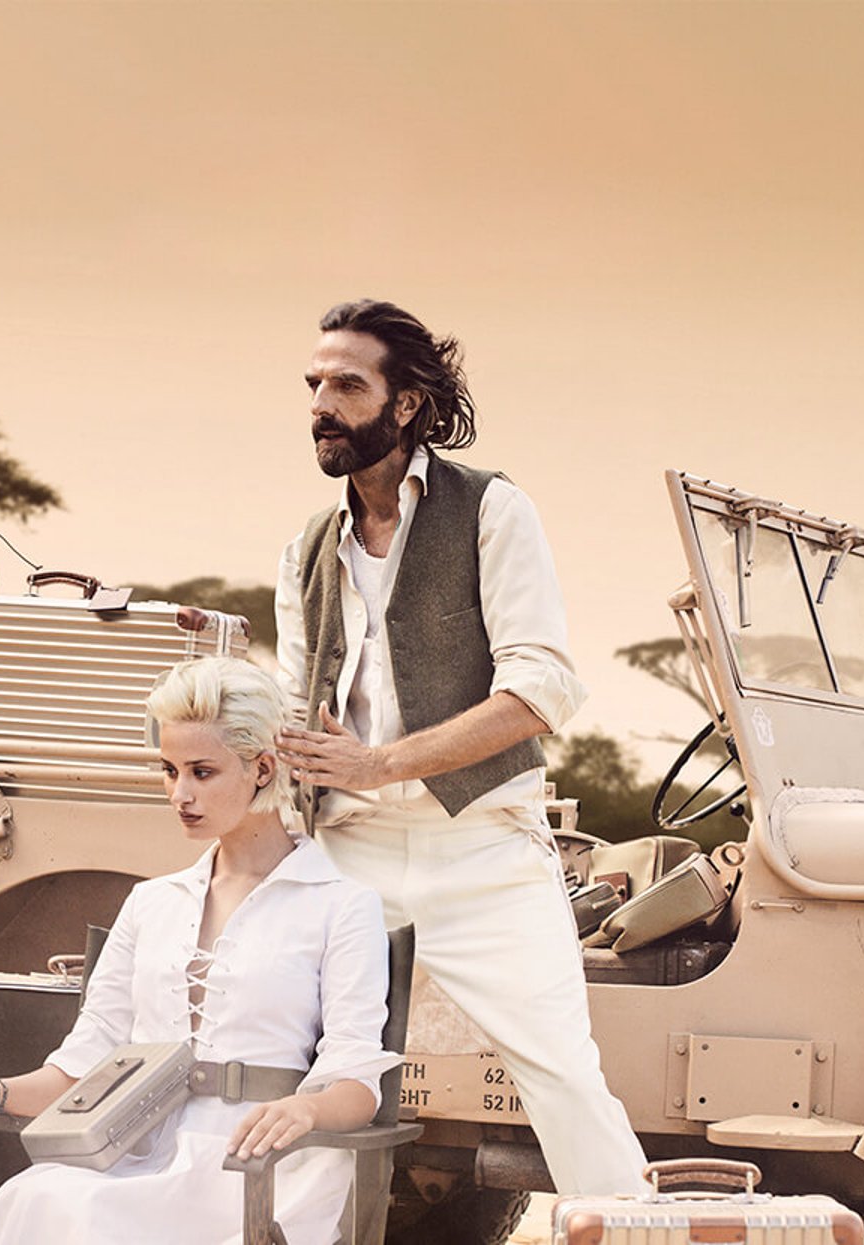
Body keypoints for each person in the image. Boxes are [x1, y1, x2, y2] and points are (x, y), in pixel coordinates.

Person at [273, 299, 648, 1196]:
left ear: (404, 405)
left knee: (561, 1071)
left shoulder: (492, 510)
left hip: (481, 845)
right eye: (315, 384)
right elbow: (296, 707)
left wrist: (380, 763)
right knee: (301, 1073)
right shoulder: (304, 551)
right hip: (345, 854)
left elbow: (538, 690)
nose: (323, 402)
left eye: (347, 384)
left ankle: (632, 1223)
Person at [0, 656, 397, 1245]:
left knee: (81, 1215)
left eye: (202, 772)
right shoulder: (151, 903)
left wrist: (305, 1111)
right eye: (169, 770)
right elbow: (85, 1063)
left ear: (263, 769)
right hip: (134, 1150)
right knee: (38, 1197)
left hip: (263, 1168)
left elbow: (356, 1081)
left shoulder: (341, 904)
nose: (179, 793)